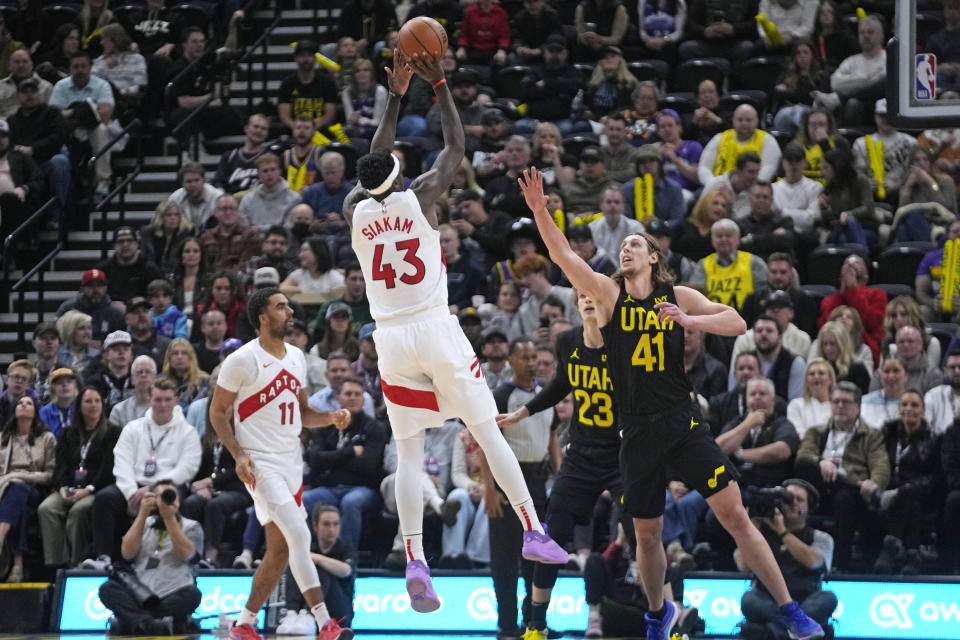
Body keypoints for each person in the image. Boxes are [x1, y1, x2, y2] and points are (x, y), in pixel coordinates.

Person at [520, 165, 824, 640]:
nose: (627, 247)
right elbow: (561, 255)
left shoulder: (675, 294)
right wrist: (541, 210)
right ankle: (658, 611)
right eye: (624, 244)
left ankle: (790, 609)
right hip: (637, 431)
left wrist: (689, 320)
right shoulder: (607, 294)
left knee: (736, 515)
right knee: (645, 534)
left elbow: (738, 322)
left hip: (683, 423)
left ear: (653, 256)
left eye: (636, 243)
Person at [341, 52, 568, 614]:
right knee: (487, 430)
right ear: (397, 171)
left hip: (389, 339)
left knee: (412, 453)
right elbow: (457, 148)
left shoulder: (352, 208)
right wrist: (437, 83)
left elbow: (373, 159)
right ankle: (534, 529)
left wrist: (393, 98)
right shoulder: (419, 196)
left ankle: (415, 560)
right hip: (435, 327)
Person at [209, 287, 353, 640]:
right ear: (263, 317)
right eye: (281, 306)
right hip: (260, 463)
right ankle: (326, 623)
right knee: (301, 533)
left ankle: (244, 624)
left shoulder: (297, 357)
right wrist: (239, 454)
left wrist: (331, 418)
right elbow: (217, 412)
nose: (290, 311)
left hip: (291, 462)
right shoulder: (242, 360)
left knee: (279, 551)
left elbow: (303, 413)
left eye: (288, 305)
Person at [496, 292, 624, 638]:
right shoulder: (567, 340)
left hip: (621, 453)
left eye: (593, 294)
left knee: (644, 533)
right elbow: (560, 385)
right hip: (581, 453)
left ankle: (661, 615)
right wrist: (524, 412)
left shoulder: (624, 340)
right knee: (551, 537)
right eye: (581, 295)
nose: (587, 298)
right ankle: (536, 624)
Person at [81, 377, 201, 571]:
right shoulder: (133, 428)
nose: (162, 405)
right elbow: (121, 462)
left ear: (175, 401)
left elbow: (187, 468)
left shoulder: (188, 432)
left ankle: (177, 561)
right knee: (105, 498)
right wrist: (130, 493)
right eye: (158, 399)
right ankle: (103, 557)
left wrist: (154, 488)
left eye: (167, 400)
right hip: (134, 486)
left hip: (170, 486)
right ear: (150, 400)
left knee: (175, 499)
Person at [794, 382, 889, 570]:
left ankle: (839, 564)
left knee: (844, 498)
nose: (839, 406)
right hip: (819, 490)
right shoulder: (816, 432)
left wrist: (875, 483)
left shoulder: (871, 435)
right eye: (836, 401)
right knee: (803, 464)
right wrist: (821, 462)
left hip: (853, 497)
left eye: (846, 402)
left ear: (858, 407)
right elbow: (804, 454)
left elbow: (881, 464)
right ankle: (851, 485)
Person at [98, 479, 203, 635]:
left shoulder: (192, 526)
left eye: (170, 496)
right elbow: (127, 553)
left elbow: (188, 555)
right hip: (139, 593)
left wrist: (169, 518)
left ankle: (135, 621)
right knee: (107, 589)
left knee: (193, 596)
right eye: (160, 496)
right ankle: (152, 623)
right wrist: (142, 514)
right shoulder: (144, 523)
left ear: (179, 501)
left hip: (174, 590)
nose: (165, 501)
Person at [738, 479, 838, 640]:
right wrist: (750, 528)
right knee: (749, 599)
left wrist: (782, 531)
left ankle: (781, 630)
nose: (793, 503)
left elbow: (813, 561)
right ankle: (795, 628)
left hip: (806, 599)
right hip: (769, 599)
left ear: (809, 507)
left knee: (828, 598)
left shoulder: (821, 537)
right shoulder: (761, 535)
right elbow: (743, 564)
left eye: (799, 500)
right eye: (788, 499)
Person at [301, 378, 388, 549]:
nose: (353, 398)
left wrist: (332, 461)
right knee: (303, 500)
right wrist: (350, 452)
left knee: (351, 502)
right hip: (330, 489)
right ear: (339, 398)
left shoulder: (375, 428)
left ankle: (346, 555)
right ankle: (306, 553)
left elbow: (369, 466)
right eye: (348, 394)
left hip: (363, 489)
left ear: (363, 400)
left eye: (357, 394)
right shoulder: (327, 426)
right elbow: (316, 460)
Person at [39, 386, 119, 568]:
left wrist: (88, 490)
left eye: (97, 401)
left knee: (79, 511)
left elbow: (109, 469)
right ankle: (56, 564)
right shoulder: (68, 432)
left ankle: (77, 563)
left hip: (95, 488)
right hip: (69, 487)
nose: (93, 405)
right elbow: (60, 466)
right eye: (88, 401)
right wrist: (62, 488)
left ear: (103, 405)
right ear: (80, 406)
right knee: (46, 508)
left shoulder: (113, 432)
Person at [180, 399, 251, 569]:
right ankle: (188, 553)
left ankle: (210, 556)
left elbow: (240, 468)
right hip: (210, 490)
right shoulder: (207, 438)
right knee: (191, 503)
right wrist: (199, 487)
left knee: (215, 505)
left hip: (239, 489)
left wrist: (211, 482)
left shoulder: (244, 436)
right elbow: (198, 469)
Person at [277, 504, 357, 633]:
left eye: (336, 524)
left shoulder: (346, 548)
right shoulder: (309, 546)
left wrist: (318, 559)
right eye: (326, 524)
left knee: (320, 568)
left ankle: (309, 614)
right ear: (315, 526)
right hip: (305, 605)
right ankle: (291, 613)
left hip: (339, 610)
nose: (332, 529)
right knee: (296, 561)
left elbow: (346, 570)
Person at [0, 394, 55, 581]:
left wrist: (18, 475)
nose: (23, 405)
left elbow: (50, 475)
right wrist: (10, 479)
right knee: (19, 504)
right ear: (14, 411)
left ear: (35, 411)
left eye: (28, 403)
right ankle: (18, 564)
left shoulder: (47, 438)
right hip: (5, 489)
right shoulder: (3, 439)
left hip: (35, 489)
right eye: (20, 403)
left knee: (20, 489)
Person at [716, 377, 801, 489]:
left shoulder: (782, 423)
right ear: (746, 399)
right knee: (687, 504)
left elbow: (781, 451)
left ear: (773, 400)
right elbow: (716, 450)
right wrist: (747, 424)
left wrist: (741, 454)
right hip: (730, 485)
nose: (757, 397)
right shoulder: (737, 422)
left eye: (762, 393)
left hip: (765, 487)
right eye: (752, 394)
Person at [691, 219, 767, 312]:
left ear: (738, 240)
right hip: (711, 320)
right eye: (719, 236)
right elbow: (696, 296)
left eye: (729, 236)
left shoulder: (754, 262)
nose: (724, 239)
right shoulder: (702, 265)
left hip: (747, 320)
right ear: (712, 241)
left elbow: (762, 294)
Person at [698, 104, 782, 185]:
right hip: (718, 189)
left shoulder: (767, 141)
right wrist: (713, 185)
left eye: (748, 120)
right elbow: (704, 168)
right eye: (740, 120)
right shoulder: (719, 138)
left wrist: (744, 188)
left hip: (753, 192)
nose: (744, 123)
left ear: (757, 121)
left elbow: (767, 171)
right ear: (733, 121)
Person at [199, 194, 263, 271]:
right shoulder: (206, 237)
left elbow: (247, 265)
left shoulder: (250, 235)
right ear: (215, 212)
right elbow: (203, 266)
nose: (228, 212)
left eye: (232, 208)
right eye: (223, 209)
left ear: (238, 212)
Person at [213, 114, 269, 194]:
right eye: (256, 127)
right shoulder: (229, 156)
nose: (259, 131)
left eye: (263, 129)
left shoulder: (269, 157)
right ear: (246, 128)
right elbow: (217, 182)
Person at [140, 202, 195, 277]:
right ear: (160, 217)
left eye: (176, 215)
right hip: (153, 275)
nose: (173, 218)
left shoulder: (186, 233)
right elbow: (146, 259)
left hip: (178, 275)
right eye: (168, 215)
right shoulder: (148, 233)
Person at [787, 359, 835, 439]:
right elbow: (798, 432)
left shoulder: (838, 406)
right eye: (812, 374)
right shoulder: (796, 405)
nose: (816, 376)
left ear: (830, 379)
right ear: (806, 381)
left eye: (821, 373)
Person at [109, 355, 156, 429]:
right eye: (139, 372)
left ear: (155, 378)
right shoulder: (118, 410)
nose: (143, 375)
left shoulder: (164, 407)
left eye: (148, 372)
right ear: (132, 379)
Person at [925, 350, 960, 435]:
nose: (957, 371)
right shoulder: (932, 396)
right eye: (952, 367)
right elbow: (924, 429)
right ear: (945, 372)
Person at [39, 367, 79, 437]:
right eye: (60, 383)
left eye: (69, 382)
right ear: (53, 389)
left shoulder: (82, 408)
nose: (65, 385)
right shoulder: (45, 412)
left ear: (74, 386)